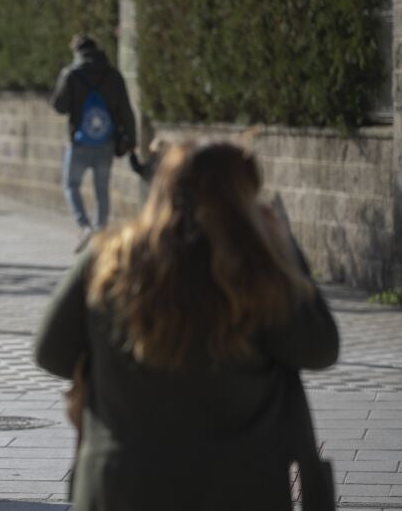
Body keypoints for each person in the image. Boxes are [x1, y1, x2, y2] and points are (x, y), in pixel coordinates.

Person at [35, 140, 339, 510]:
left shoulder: (110, 258)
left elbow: (51, 352)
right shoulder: (258, 274)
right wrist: (284, 248)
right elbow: (320, 348)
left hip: (123, 485)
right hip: (241, 487)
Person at [50, 35, 136, 253]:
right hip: (106, 141)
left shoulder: (71, 74)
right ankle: (101, 234)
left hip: (79, 142)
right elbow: (126, 110)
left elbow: (59, 106)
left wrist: (64, 80)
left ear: (76, 51)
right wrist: (131, 140)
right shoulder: (113, 75)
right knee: (101, 190)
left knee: (71, 185)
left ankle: (84, 225)